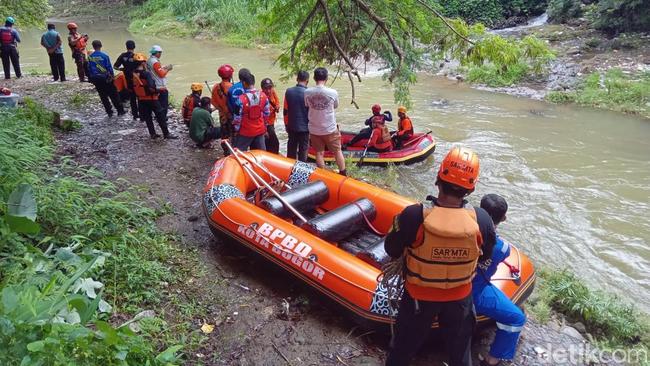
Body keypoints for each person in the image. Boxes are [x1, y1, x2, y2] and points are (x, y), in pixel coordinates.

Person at [384, 146, 496, 366]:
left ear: (438, 177)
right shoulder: (482, 220)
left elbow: (392, 249)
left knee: (402, 350)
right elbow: (485, 257)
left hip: (418, 299)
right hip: (460, 299)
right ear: (471, 189)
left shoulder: (414, 215)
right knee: (460, 352)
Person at [474, 194, 526, 366]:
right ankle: (492, 359)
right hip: (473, 291)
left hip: (451, 282)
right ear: (504, 218)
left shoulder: (462, 231)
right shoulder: (502, 248)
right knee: (517, 318)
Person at [304, 67, 346, 176]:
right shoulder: (333, 92)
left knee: (319, 152)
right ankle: (343, 173)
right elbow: (335, 105)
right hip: (330, 128)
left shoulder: (307, 92)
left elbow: (307, 105)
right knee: (337, 151)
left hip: (314, 128)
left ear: (314, 78)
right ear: (326, 78)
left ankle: (322, 175)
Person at [132, 53, 177, 139]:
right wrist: (158, 91)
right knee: (160, 116)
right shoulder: (146, 74)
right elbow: (152, 87)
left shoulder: (134, 73)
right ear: (142, 63)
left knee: (148, 117)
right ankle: (166, 134)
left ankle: (152, 134)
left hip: (141, 99)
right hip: (151, 99)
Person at [87, 40, 125, 118]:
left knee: (103, 96)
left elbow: (89, 69)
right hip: (106, 78)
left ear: (93, 47)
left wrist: (91, 79)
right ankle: (120, 111)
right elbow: (109, 68)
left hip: (96, 79)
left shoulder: (90, 57)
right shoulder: (105, 56)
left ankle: (109, 112)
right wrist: (112, 77)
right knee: (113, 94)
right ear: (101, 46)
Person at [233, 72, 270, 151]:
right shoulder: (263, 96)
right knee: (261, 154)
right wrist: (265, 127)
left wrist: (236, 130)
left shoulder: (240, 99)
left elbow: (237, 118)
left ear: (244, 83)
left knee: (239, 153)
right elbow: (267, 114)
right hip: (260, 130)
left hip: (245, 131)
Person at [283, 70, 310, 162]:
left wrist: (286, 125)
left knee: (291, 149)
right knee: (303, 150)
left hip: (292, 126)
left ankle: (288, 169)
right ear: (307, 81)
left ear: (297, 79)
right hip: (305, 128)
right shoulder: (309, 93)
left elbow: (285, 111)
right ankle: (301, 171)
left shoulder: (289, 91)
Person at [211, 64, 234, 155]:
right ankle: (234, 152)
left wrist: (222, 109)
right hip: (232, 116)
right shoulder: (232, 87)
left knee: (224, 135)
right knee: (234, 135)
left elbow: (213, 102)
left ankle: (226, 152)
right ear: (230, 75)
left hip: (222, 116)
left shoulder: (215, 87)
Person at [114, 40, 139, 120]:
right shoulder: (136, 56)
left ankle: (135, 115)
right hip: (137, 79)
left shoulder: (122, 56)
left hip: (128, 79)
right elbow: (142, 67)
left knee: (132, 98)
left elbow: (115, 67)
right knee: (140, 97)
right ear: (134, 47)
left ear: (126, 47)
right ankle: (142, 114)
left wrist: (122, 69)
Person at [227, 67, 252, 143]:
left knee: (237, 140)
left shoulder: (231, 89)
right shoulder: (250, 88)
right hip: (248, 117)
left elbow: (229, 104)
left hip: (236, 117)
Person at [147, 45, 172, 118]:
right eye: (160, 53)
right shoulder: (155, 62)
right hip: (160, 86)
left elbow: (154, 70)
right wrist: (168, 69)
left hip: (154, 83)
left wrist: (163, 67)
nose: (160, 54)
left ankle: (158, 116)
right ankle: (162, 117)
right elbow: (161, 74)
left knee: (158, 103)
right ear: (157, 53)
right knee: (163, 104)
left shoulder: (149, 60)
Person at [261, 78, 280, 154]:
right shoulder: (260, 97)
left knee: (272, 142)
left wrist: (277, 106)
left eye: (270, 88)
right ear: (262, 88)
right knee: (273, 142)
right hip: (265, 123)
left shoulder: (273, 92)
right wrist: (264, 130)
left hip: (271, 121)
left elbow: (277, 101)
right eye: (266, 88)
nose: (268, 90)